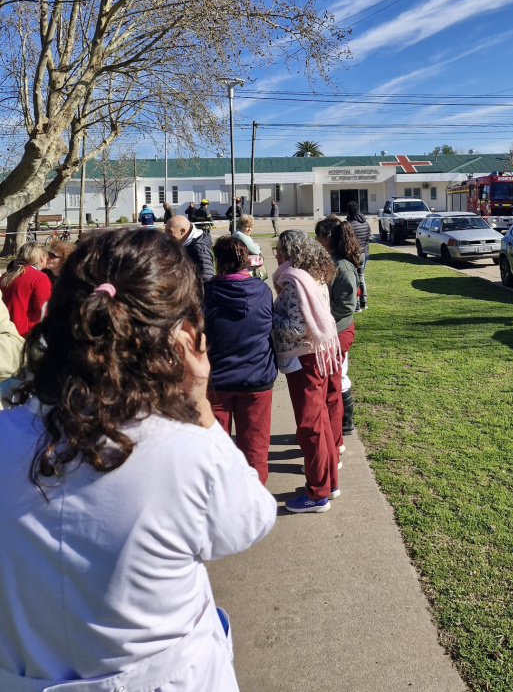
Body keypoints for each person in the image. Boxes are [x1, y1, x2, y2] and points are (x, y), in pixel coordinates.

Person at [0, 227, 276, 690]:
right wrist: (200, 407)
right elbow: (249, 521)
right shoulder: (186, 452)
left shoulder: (7, 436)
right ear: (180, 335)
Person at [272, 230, 340, 514]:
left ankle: (317, 494)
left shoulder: (295, 283)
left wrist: (269, 315)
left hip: (304, 360)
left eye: (279, 250)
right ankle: (328, 483)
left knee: (310, 427)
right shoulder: (315, 277)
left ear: (292, 253)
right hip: (317, 357)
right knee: (320, 423)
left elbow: (295, 329)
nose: (276, 255)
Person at [204, 236, 277, 484]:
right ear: (246, 260)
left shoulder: (205, 294)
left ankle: (219, 500)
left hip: (217, 381)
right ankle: (254, 499)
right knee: (255, 449)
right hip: (257, 377)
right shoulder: (262, 291)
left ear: (217, 262)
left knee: (215, 451)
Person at [315, 217, 359, 445]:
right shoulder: (330, 261)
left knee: (337, 379)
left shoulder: (342, 267)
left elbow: (346, 306)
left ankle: (343, 425)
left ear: (326, 239)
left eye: (318, 236)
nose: (315, 240)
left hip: (338, 332)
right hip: (330, 331)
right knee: (334, 379)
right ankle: (338, 424)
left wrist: (318, 313)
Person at [0, 241, 52, 337]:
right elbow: (43, 310)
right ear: (42, 258)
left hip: (5, 328)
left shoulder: (6, 275)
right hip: (27, 331)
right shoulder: (40, 278)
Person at [165, 215, 215, 283]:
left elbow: (206, 279)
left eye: (169, 231)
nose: (166, 235)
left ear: (182, 231)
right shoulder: (180, 244)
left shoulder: (199, 250)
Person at [346, 200, 371, 312]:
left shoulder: (349, 225)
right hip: (363, 253)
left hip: (352, 254)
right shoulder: (365, 223)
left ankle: (356, 304)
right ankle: (363, 302)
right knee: (361, 276)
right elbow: (367, 239)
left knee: (353, 278)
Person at [234, 214, 267, 280]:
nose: (250, 229)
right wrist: (257, 245)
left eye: (251, 227)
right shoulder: (240, 235)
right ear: (241, 225)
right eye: (247, 227)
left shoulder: (242, 234)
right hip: (245, 271)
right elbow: (256, 251)